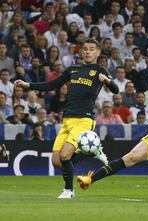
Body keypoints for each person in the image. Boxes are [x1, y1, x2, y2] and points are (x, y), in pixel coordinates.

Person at [14, 38, 119, 199]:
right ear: (82, 52)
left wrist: (107, 82)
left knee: (65, 156)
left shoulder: (100, 70)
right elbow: (51, 85)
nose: (88, 51)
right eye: (85, 48)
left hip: (84, 120)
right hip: (67, 120)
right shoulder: (73, 69)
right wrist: (27, 85)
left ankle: (69, 190)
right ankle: (90, 152)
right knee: (57, 161)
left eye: (92, 49)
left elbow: (116, 90)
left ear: (98, 52)